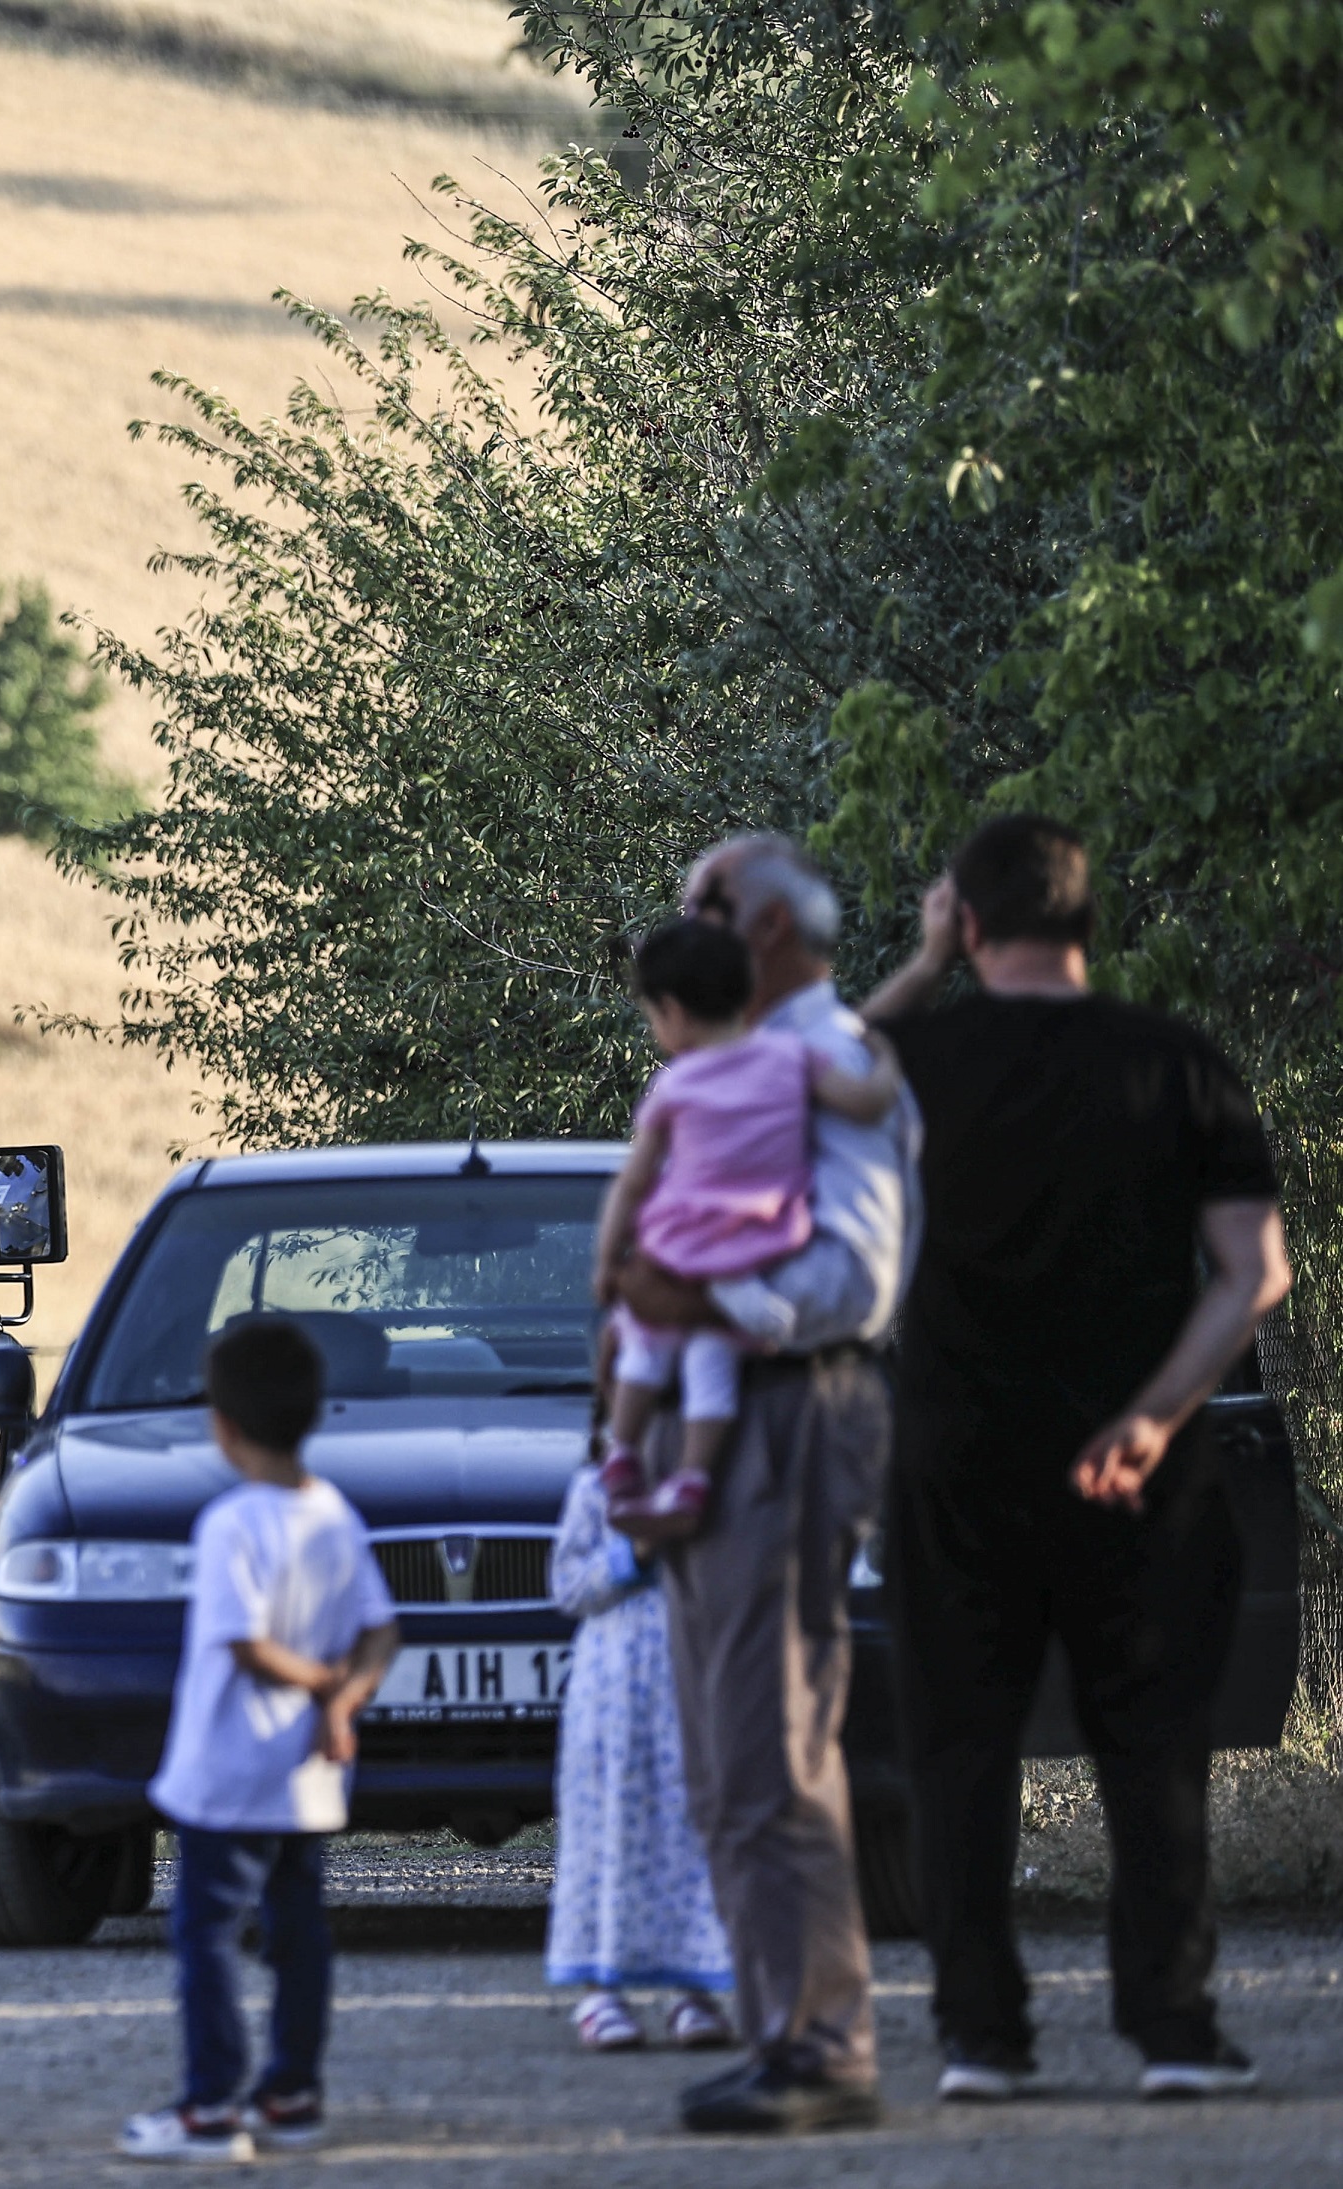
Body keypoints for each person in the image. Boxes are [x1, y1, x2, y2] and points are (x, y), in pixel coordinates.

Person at [860, 816, 1290, 2103]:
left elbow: (792, 1078)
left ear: (969, 923)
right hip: (1141, 1469)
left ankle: (980, 2037)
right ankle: (1170, 2028)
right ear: (1085, 921)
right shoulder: (1177, 1062)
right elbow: (1251, 1273)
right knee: (1151, 1746)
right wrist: (1156, 1413)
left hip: (953, 1461)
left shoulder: (909, 1061)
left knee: (958, 1751)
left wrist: (923, 963)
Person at [608, 832, 918, 2135]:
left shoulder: (829, 1058)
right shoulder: (750, 1063)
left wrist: (710, 1297)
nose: (682, 922)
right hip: (724, 1424)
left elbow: (854, 1278)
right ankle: (783, 2027)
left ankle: (823, 2044)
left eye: (703, 905)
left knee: (769, 1746)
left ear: (769, 931)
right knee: (731, 1758)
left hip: (789, 1412)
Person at [122, 1316, 400, 2164]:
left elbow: (244, 1644)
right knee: (297, 1932)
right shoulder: (335, 1514)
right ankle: (294, 2094)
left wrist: (322, 1687)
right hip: (306, 1780)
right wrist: (346, 1698)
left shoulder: (230, 1523)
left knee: (205, 1935)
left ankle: (210, 2105)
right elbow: (380, 1633)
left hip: (230, 1774)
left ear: (224, 1423)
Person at [593, 919, 904, 1537]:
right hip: (751, 1259)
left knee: (645, 1343)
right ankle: (692, 1480)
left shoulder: (675, 1084)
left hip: (677, 1253)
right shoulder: (795, 1060)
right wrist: (887, 1057)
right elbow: (867, 1102)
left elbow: (633, 1182)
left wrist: (607, 1258)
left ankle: (621, 1455)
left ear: (673, 1011)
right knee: (712, 1356)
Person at [545, 1443, 737, 2052]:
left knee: (691, 1826)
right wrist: (637, 1551)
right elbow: (569, 1586)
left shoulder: (712, 1488)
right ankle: (602, 1987)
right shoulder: (594, 1490)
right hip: (615, 1689)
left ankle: (692, 1985)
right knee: (611, 1827)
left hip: (692, 1679)